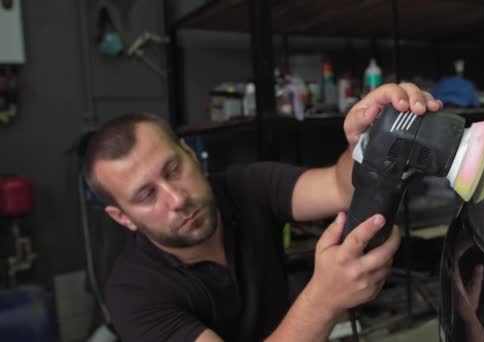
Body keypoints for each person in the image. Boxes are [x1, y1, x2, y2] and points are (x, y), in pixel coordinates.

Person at [84, 83, 443, 341]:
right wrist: (324, 299)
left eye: (173, 170)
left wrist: (369, 142)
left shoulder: (246, 187)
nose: (176, 199)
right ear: (123, 217)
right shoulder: (133, 293)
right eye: (147, 195)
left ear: (190, 155)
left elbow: (337, 187)